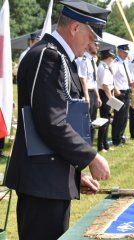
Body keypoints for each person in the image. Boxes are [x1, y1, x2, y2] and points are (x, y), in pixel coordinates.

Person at [4, 1, 111, 239]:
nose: (93, 46)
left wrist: (72, 173)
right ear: (75, 28)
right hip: (41, 184)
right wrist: (90, 156)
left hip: (50, 180)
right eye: (91, 36)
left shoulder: (57, 57)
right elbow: (51, 122)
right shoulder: (48, 57)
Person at [76, 41, 102, 144]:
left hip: (93, 92)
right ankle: (85, 145)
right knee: (86, 121)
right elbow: (83, 80)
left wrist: (98, 97)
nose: (98, 47)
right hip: (86, 92)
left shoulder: (92, 60)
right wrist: (87, 98)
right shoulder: (83, 60)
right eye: (95, 44)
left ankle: (90, 144)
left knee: (93, 120)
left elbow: (94, 81)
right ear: (88, 45)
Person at [111, 44, 133, 146]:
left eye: (127, 53)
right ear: (119, 51)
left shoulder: (125, 63)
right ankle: (116, 139)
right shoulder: (115, 63)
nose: (126, 54)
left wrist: (132, 83)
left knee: (125, 117)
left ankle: (121, 136)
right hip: (119, 92)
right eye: (124, 52)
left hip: (127, 91)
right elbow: (111, 77)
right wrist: (115, 89)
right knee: (118, 117)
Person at [97, 48, 115, 152]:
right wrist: (111, 99)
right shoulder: (103, 68)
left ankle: (105, 144)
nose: (112, 59)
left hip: (108, 94)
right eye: (111, 57)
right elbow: (105, 85)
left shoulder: (106, 67)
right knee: (104, 121)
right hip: (105, 95)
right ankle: (101, 146)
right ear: (108, 57)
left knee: (107, 121)